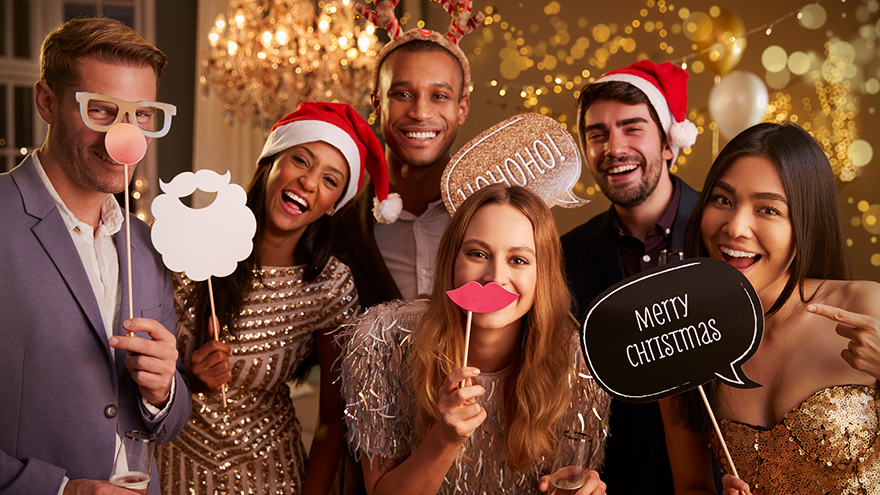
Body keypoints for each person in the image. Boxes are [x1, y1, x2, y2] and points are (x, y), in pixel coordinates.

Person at [156, 102, 397, 495]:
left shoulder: (329, 286)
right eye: (301, 160)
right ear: (271, 161)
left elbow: (333, 420)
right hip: (175, 468)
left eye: (330, 180)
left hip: (271, 474)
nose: (309, 182)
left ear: (332, 204)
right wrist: (190, 383)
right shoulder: (189, 249)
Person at [0, 17, 191, 495]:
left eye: (142, 115)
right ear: (47, 102)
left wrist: (162, 392)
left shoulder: (148, 246)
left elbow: (169, 421)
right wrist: (60, 490)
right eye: (102, 111)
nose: (124, 138)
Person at [340, 184, 611, 494]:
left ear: (543, 275)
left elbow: (565, 482)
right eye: (478, 254)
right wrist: (444, 438)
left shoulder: (576, 360)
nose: (495, 277)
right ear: (451, 261)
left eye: (518, 260)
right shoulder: (383, 340)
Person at [661, 121, 880, 495]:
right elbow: (692, 485)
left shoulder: (867, 307)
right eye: (723, 200)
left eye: (768, 210)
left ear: (805, 223)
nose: (735, 227)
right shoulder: (684, 342)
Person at [560, 60, 702, 495]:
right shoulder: (566, 254)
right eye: (597, 135)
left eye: (632, 128)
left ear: (667, 142)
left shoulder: (721, 232)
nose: (613, 148)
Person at [331, 3, 481, 309]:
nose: (420, 113)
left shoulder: (490, 213)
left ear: (462, 108)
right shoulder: (336, 226)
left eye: (439, 96)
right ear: (376, 104)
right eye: (402, 94)